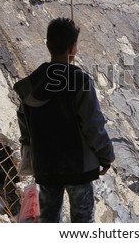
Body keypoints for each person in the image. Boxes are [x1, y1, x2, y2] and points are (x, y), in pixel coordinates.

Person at [14, 17, 115, 223]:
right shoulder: (80, 80)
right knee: (83, 222)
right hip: (79, 168)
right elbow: (93, 125)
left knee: (49, 221)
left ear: (47, 45)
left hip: (45, 166)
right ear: (73, 48)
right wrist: (106, 157)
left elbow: (25, 127)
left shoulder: (31, 83)